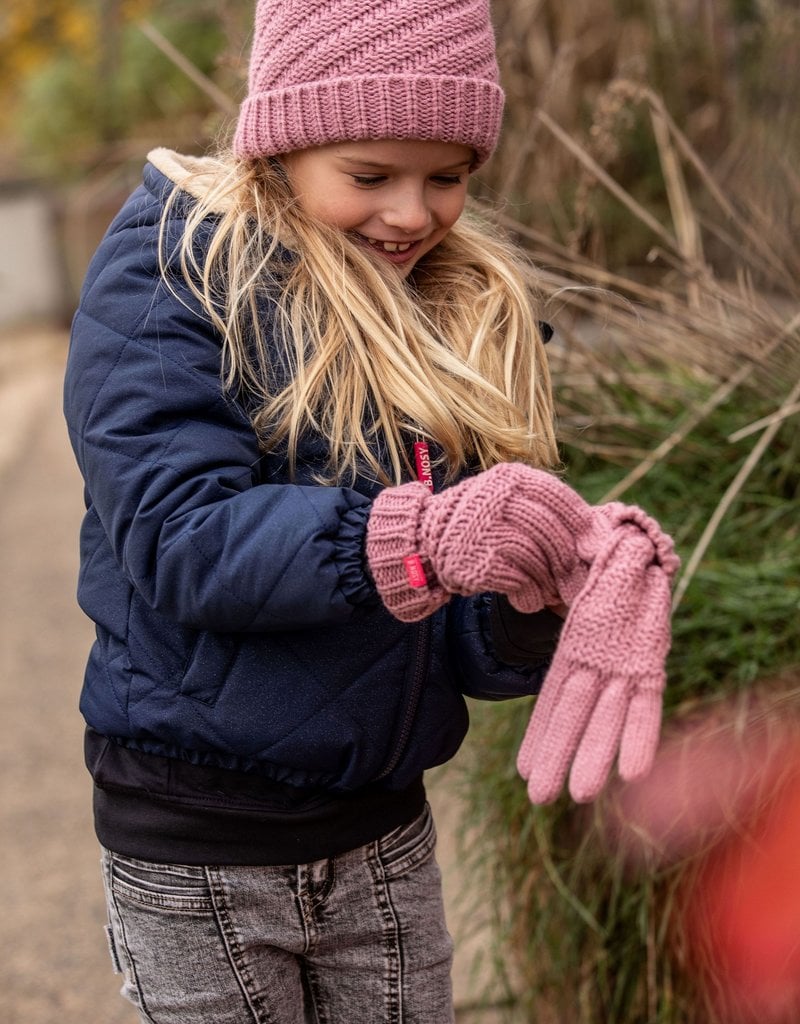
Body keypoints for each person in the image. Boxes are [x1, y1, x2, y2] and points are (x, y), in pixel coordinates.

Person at [63, 1, 679, 1021]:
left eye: (447, 178)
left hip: (383, 833)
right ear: (281, 144)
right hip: (202, 840)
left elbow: (463, 642)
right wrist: (418, 537)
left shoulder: (455, 309)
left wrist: (548, 580)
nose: (411, 214)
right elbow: (181, 540)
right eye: (370, 176)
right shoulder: (173, 273)